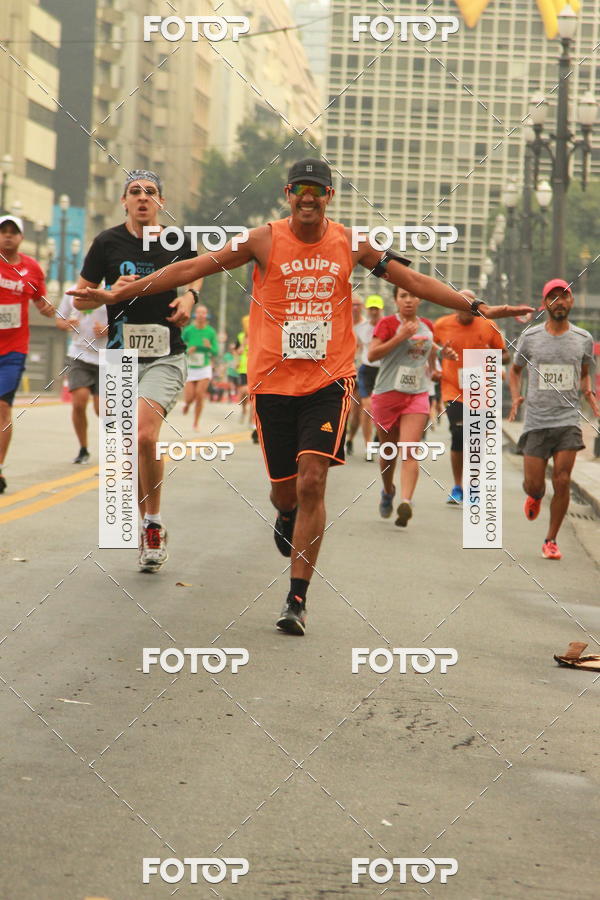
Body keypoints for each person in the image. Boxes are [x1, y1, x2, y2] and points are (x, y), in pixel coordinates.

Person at [69, 157, 533, 634]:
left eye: (317, 190)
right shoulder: (261, 239)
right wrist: (116, 295)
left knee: (314, 479)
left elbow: (411, 280)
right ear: (287, 195)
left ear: (329, 196)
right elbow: (189, 266)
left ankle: (297, 598)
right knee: (285, 488)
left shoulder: (352, 243)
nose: (307, 197)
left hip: (328, 380)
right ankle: (286, 512)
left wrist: (474, 305)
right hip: (272, 381)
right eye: (299, 190)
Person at [72, 169, 201, 572]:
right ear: (124, 201)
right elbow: (80, 301)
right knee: (128, 448)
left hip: (165, 354)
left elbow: (198, 275)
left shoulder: (177, 241)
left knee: (145, 434)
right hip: (119, 357)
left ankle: (154, 523)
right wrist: (109, 293)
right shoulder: (107, 242)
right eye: (135, 192)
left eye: (151, 192)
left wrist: (190, 300)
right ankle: (146, 521)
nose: (143, 198)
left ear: (160, 201)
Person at [509, 278, 598, 560]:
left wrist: (588, 391)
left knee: (562, 480)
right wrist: (516, 397)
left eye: (565, 296)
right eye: (553, 297)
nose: (559, 302)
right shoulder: (531, 337)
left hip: (567, 420)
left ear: (571, 302)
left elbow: (584, 371)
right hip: (536, 419)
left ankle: (551, 539)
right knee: (534, 484)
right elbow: (515, 370)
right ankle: (534, 496)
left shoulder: (584, 339)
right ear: (545, 303)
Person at [369, 287, 457, 525]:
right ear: (396, 300)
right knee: (388, 453)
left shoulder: (427, 325)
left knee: (410, 450)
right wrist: (399, 337)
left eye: (412, 296)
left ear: (420, 299)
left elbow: (429, 353)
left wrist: (440, 362)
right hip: (387, 395)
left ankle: (406, 502)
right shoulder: (387, 324)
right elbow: (372, 354)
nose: (408, 301)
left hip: (416, 395)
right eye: (403, 296)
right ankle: (388, 491)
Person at [433, 289, 510, 504]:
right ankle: (458, 487)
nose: (466, 308)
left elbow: (505, 355)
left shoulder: (489, 325)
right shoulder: (441, 325)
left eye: (470, 304)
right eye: (461, 304)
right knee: (459, 435)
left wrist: (488, 356)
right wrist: (438, 359)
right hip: (453, 389)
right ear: (454, 305)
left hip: (481, 391)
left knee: (476, 441)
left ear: (476, 307)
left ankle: (473, 486)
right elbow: (432, 349)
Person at [0, 214, 54, 493]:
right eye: (3, 231)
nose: (7, 235)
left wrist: (55, 312)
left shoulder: (31, 269)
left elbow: (41, 302)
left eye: (13, 232)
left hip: (13, 350)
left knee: (3, 408)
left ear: (21, 237)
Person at [56, 286, 108, 463]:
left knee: (102, 409)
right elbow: (59, 320)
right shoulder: (72, 292)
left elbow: (125, 319)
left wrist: (108, 329)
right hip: (79, 353)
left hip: (107, 356)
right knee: (79, 402)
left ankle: (116, 448)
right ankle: (83, 449)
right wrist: (66, 324)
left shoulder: (113, 288)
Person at [354, 294, 384, 458]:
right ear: (367, 309)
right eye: (371, 308)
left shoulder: (388, 325)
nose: (373, 312)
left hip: (383, 371)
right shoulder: (360, 328)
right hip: (366, 370)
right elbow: (357, 348)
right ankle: (368, 447)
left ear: (381, 310)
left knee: (379, 410)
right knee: (367, 408)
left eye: (376, 309)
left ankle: (378, 436)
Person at [181, 304, 218, 430]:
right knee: (190, 397)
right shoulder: (188, 330)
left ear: (206, 315)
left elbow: (215, 352)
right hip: (191, 367)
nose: (201, 315)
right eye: (199, 312)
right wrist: (187, 349)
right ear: (195, 314)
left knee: (199, 395)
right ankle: (187, 404)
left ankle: (196, 423)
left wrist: (209, 347)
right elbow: (179, 346)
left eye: (204, 313)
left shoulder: (211, 332)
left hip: (204, 367)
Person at [345, 296, 366, 455]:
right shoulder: (343, 323)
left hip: (360, 372)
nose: (356, 308)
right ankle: (340, 438)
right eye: (353, 305)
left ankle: (350, 438)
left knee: (357, 412)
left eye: (359, 305)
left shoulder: (367, 326)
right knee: (344, 409)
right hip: (342, 371)